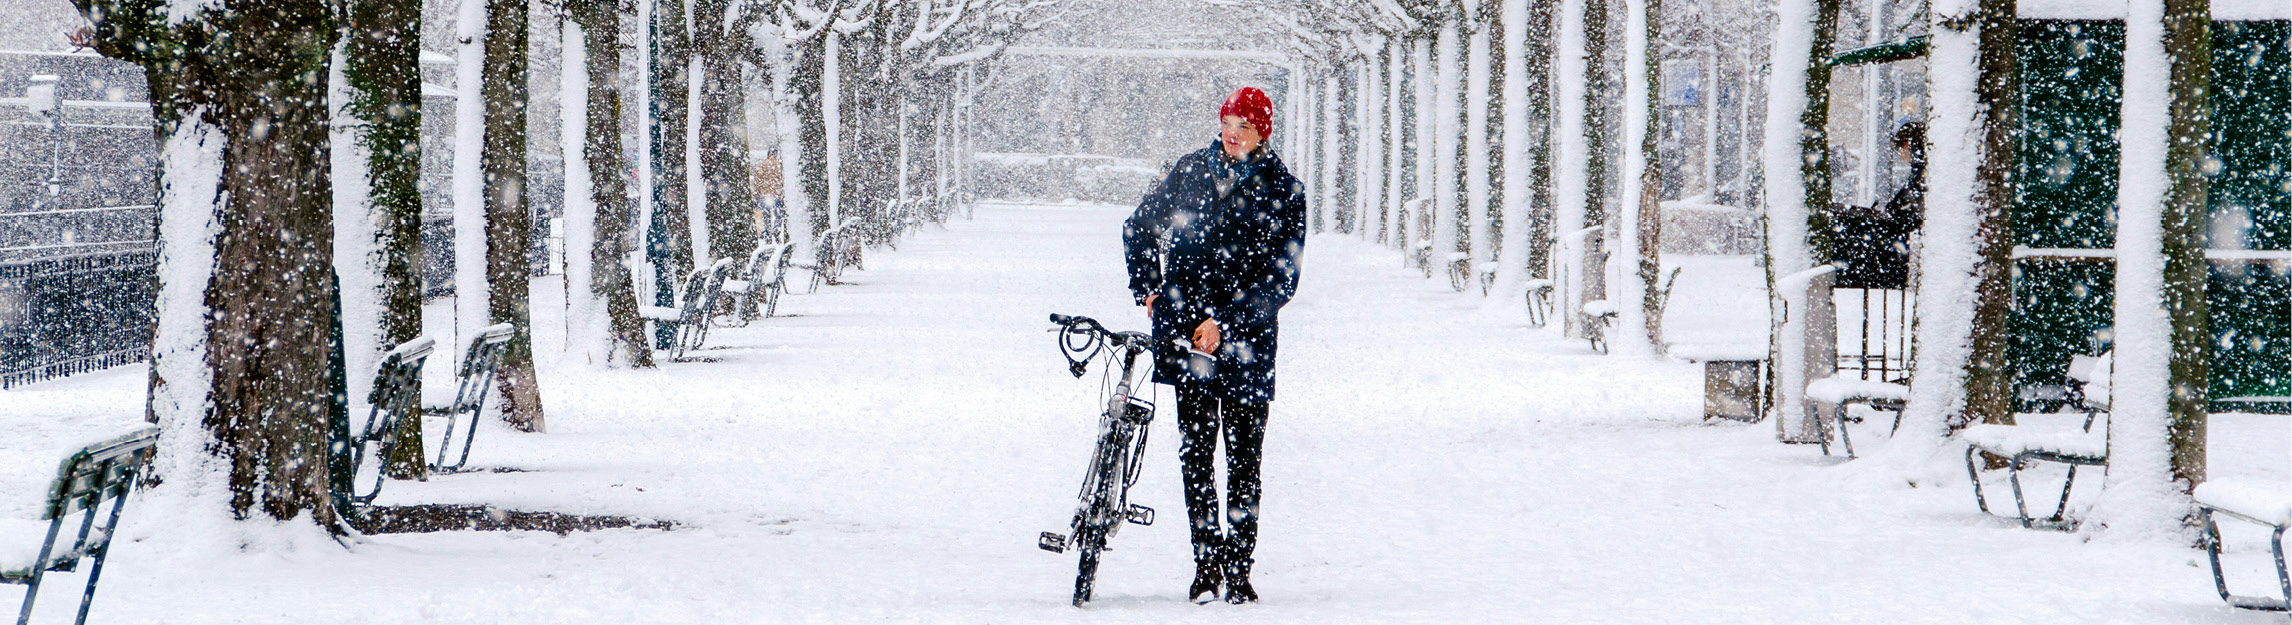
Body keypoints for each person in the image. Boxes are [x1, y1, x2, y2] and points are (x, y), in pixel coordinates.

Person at [1122, 86, 1306, 605]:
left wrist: (1225, 323)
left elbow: (1281, 279)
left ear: (1263, 132)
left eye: (1244, 125)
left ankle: (1239, 567)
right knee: (1196, 456)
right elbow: (1138, 228)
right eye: (1228, 121)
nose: (1233, 132)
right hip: (1186, 341)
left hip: (1247, 347)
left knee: (1245, 460)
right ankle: (1206, 564)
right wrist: (1150, 290)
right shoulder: (1188, 172)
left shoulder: (1285, 191)